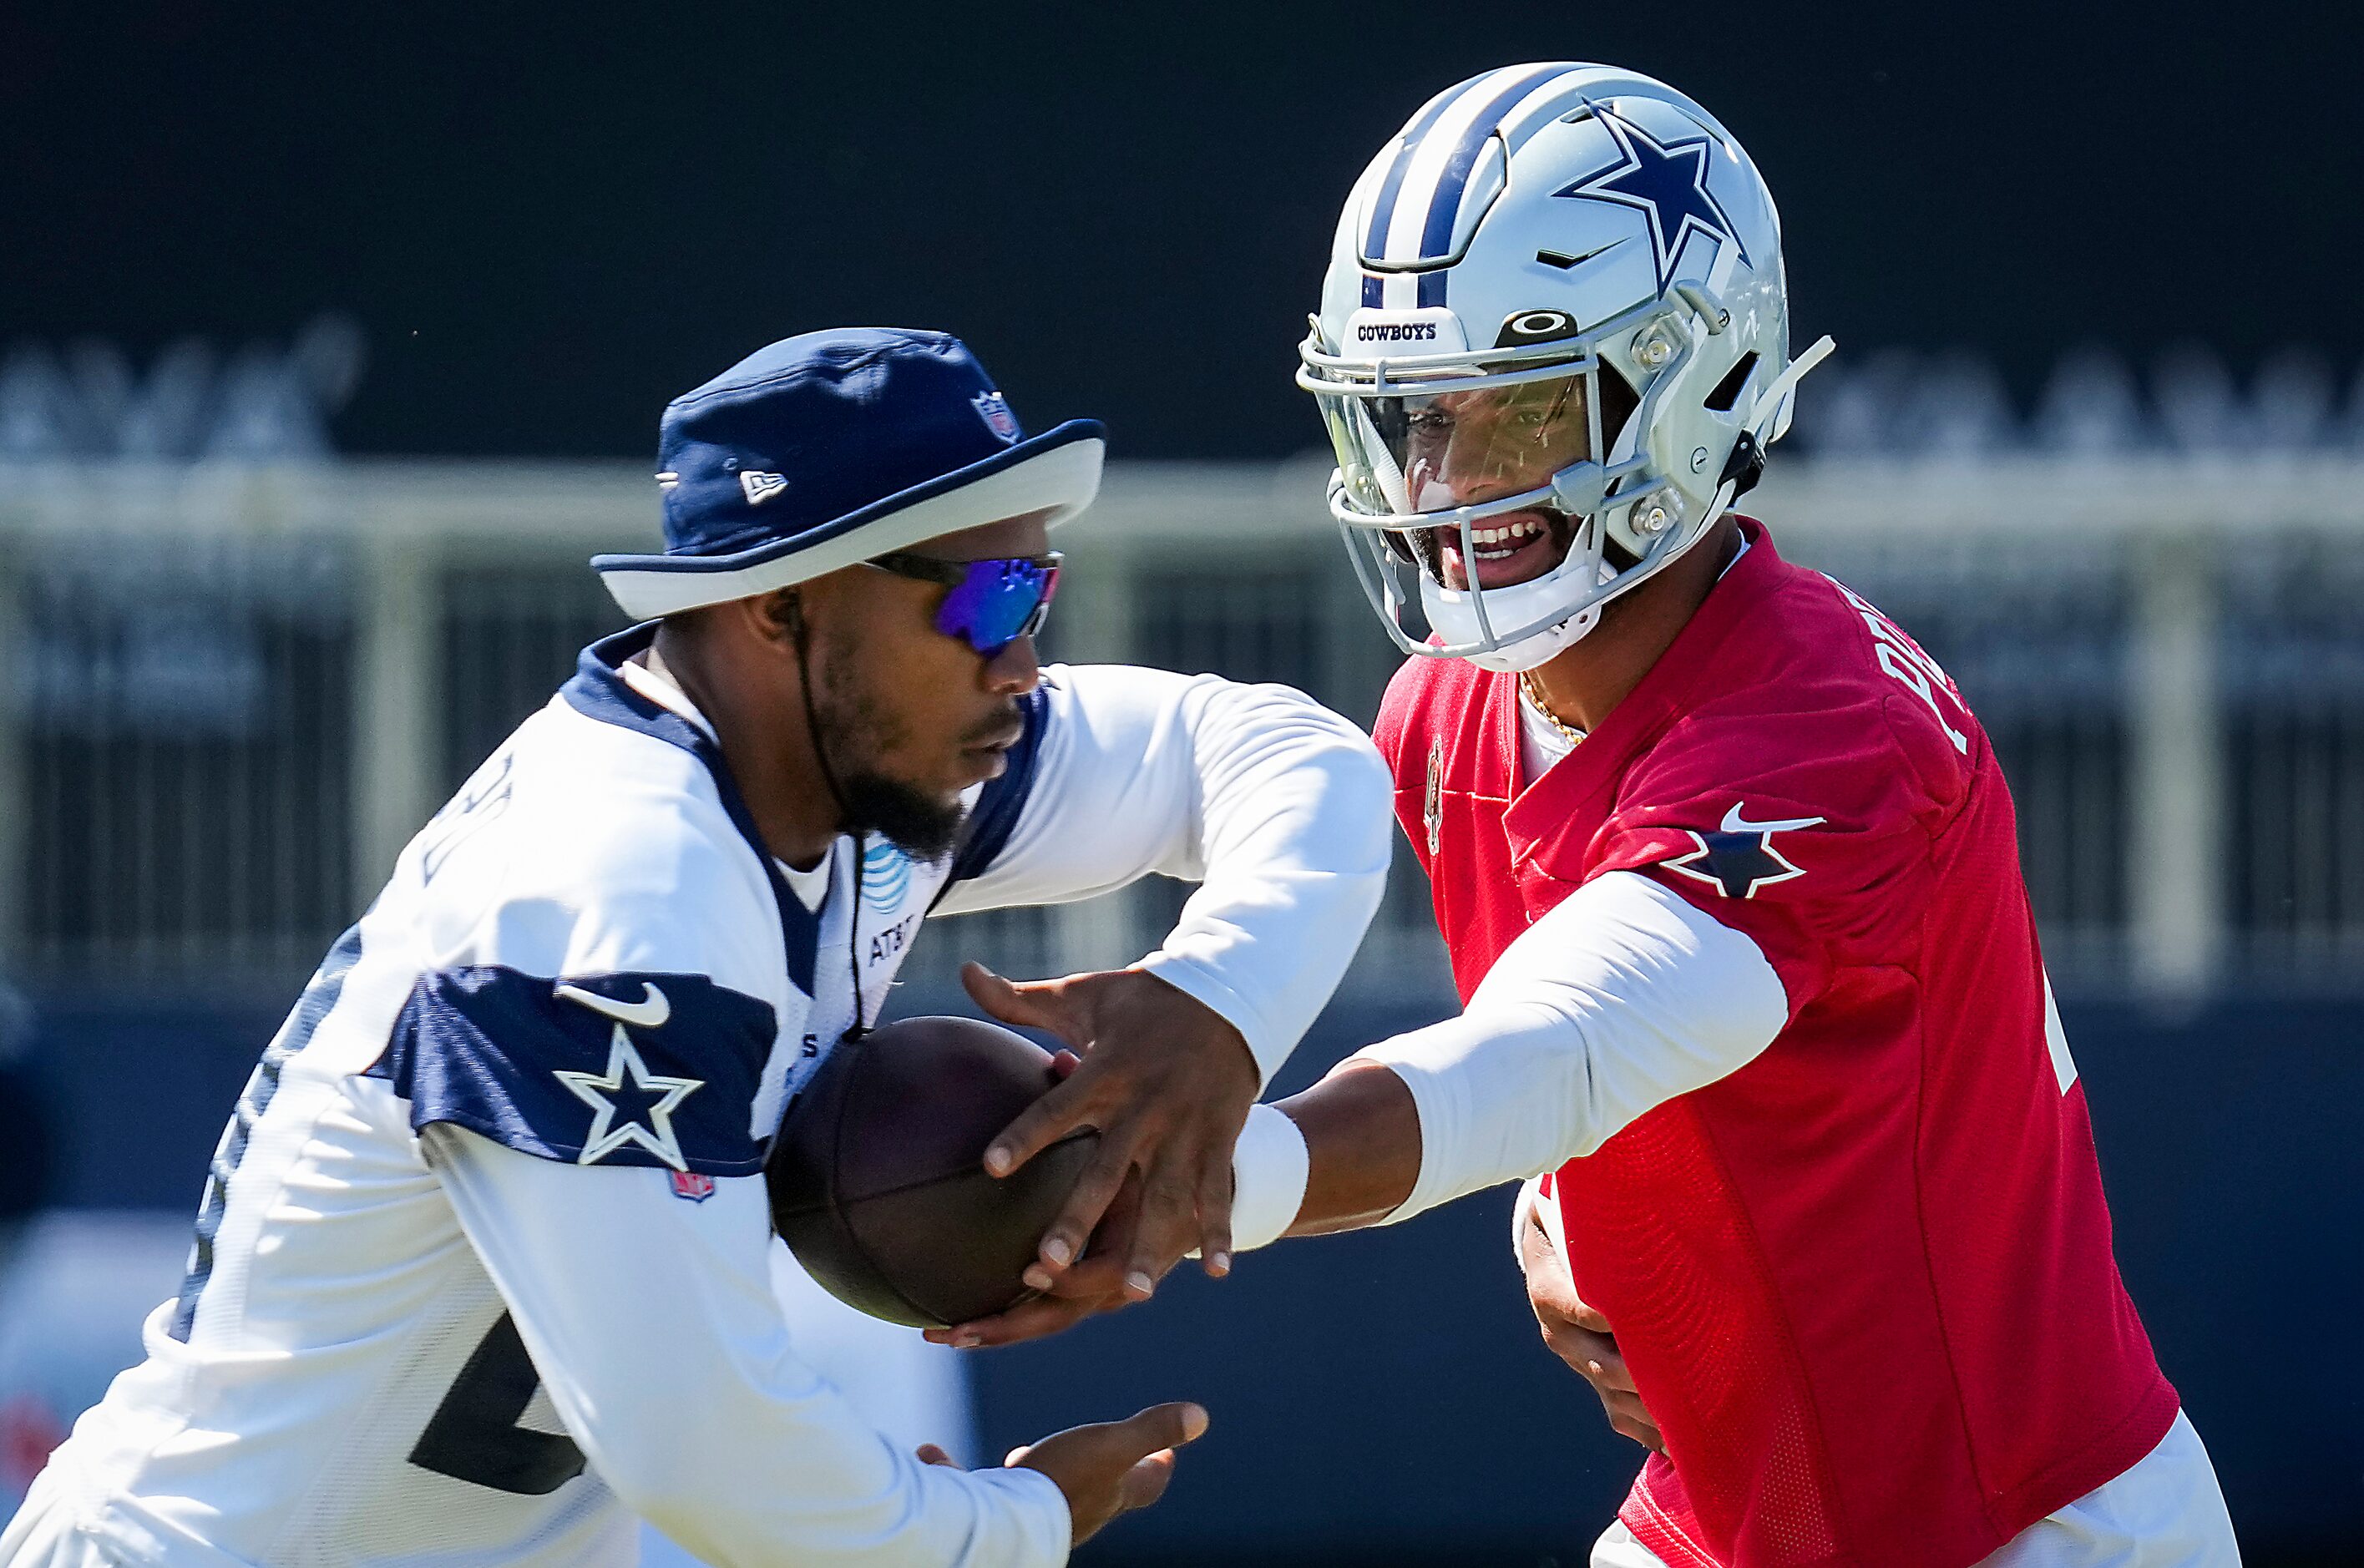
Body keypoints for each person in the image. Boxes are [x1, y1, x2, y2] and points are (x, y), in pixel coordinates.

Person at [943, 67, 2240, 1568]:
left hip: (2012, 1522)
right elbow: (1592, 1082)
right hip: (1728, 1513)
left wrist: (1189, 1180)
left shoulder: (1830, 728)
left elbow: (1550, 1052)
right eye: (1416, 416)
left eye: (1519, 412)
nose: (1442, 481)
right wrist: (1563, 1208)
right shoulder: (1449, 710)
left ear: (1696, 382)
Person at [2, 328, 1394, 1567]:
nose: (1019, 656)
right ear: (778, 605)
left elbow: (1287, 756)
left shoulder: (861, 766)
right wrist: (1014, 1523)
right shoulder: (618, 890)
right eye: (979, 600)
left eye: (1036, 591)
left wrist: (1218, 1003)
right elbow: (700, 1445)